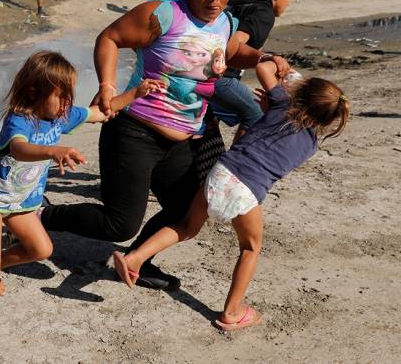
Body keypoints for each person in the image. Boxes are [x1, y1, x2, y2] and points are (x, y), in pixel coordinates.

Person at [40, 0, 290, 291]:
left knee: (187, 211)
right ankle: (41, 216)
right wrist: (107, 86)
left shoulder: (225, 22)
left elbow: (230, 53)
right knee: (119, 224)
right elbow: (110, 38)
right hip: (133, 131)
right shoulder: (164, 14)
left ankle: (138, 261)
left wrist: (263, 56)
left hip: (184, 138)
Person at [0, 50, 165, 347]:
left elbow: (102, 112)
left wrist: (137, 92)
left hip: (22, 202)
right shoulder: (20, 121)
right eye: (61, 96)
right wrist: (54, 151)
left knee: (41, 249)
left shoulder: (61, 117)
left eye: (70, 96)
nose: (67, 105)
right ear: (34, 92)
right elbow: (19, 149)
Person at [113, 62, 349, 332]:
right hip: (247, 190)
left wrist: (284, 68)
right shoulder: (310, 145)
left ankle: (135, 259)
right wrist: (278, 102)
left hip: (221, 172)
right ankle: (232, 312)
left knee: (187, 227)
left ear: (301, 93)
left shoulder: (281, 102)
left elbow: (263, 68)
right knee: (250, 248)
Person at [210, 0, 296, 135]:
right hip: (219, 75)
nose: (288, 3)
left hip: (199, 65)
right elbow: (234, 42)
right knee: (257, 114)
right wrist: (265, 58)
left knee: (210, 123)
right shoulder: (264, 14)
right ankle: (237, 162)